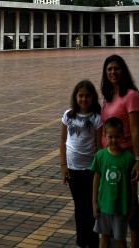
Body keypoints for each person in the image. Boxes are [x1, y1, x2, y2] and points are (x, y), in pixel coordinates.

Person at [100, 55, 139, 248]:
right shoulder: (108, 95)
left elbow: (135, 130)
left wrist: (137, 160)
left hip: (125, 157)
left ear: (123, 71)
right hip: (108, 157)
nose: (113, 72)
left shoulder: (131, 95)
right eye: (109, 69)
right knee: (114, 201)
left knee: (131, 205)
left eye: (116, 68)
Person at [60, 79, 103, 248]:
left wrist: (99, 170)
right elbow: (63, 141)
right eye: (80, 95)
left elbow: (99, 146)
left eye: (87, 96)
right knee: (79, 206)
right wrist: (63, 165)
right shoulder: (68, 115)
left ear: (92, 98)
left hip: (90, 170)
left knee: (91, 206)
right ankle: (81, 241)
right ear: (75, 97)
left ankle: (92, 241)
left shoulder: (96, 118)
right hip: (72, 169)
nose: (84, 99)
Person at [92, 117, 137, 248]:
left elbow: (132, 184)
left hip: (121, 207)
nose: (113, 140)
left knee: (120, 239)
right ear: (105, 136)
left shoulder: (128, 158)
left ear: (122, 136)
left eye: (117, 137)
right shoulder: (100, 156)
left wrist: (132, 206)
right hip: (103, 206)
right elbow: (96, 179)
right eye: (110, 137)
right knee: (104, 237)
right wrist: (94, 203)